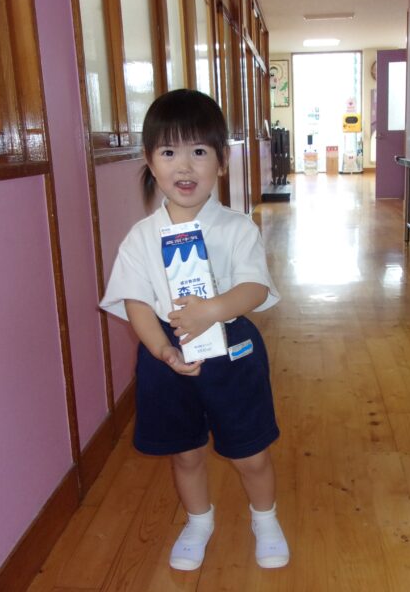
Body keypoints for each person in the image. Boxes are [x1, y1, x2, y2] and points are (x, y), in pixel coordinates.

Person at [100, 89, 289, 571]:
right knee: (185, 453)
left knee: (250, 452)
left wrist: (213, 310)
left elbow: (254, 288)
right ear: (150, 161)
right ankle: (199, 521)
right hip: (168, 356)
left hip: (233, 348)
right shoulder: (140, 238)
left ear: (222, 161)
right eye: (168, 152)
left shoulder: (237, 227)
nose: (184, 166)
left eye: (199, 151)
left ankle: (265, 519)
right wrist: (161, 351)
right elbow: (136, 302)